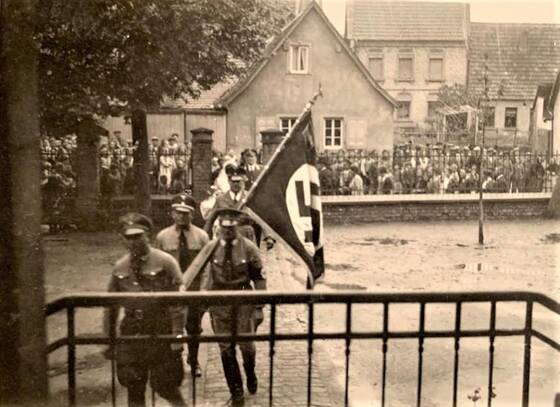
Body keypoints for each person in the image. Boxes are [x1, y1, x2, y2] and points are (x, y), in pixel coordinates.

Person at [103, 213, 187, 407]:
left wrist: (177, 336)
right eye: (128, 237)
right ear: (123, 239)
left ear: (147, 235)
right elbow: (111, 307)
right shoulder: (120, 267)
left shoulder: (165, 262)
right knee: (134, 385)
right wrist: (109, 340)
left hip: (160, 327)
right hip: (132, 330)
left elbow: (178, 302)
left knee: (167, 385)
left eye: (137, 236)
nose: (133, 241)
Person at [198, 208, 266, 407]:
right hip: (219, 302)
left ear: (237, 227)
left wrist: (259, 306)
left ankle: (250, 372)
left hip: (243, 300)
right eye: (223, 227)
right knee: (226, 349)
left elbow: (259, 279)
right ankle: (236, 392)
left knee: (247, 347)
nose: (226, 231)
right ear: (219, 226)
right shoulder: (211, 248)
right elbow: (203, 274)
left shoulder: (249, 248)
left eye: (231, 227)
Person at [154, 194, 210, 377]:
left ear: (192, 215)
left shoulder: (202, 237)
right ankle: (175, 363)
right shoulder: (163, 237)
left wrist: (203, 291)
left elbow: (207, 267)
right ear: (172, 214)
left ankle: (193, 361)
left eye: (186, 213)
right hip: (171, 289)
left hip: (193, 289)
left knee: (194, 328)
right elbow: (156, 266)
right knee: (172, 328)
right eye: (178, 213)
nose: (181, 217)